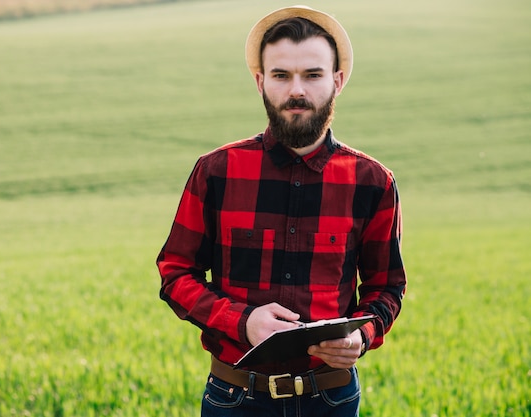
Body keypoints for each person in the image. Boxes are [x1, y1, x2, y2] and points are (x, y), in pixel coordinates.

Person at [156, 5, 406, 416]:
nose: (297, 91)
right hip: (234, 397)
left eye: (312, 74)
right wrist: (243, 321)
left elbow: (386, 288)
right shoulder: (217, 171)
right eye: (281, 75)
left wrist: (361, 335)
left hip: (332, 399)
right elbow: (175, 273)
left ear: (337, 81)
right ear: (260, 82)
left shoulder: (373, 182)